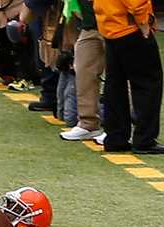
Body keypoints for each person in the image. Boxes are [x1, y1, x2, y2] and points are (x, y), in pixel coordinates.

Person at [94, 0, 164, 154]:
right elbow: (137, 3)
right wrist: (144, 23)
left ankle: (115, 137)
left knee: (115, 85)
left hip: (109, 25)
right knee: (148, 84)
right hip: (130, 27)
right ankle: (145, 140)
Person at [59, 0, 105, 141]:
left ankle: (119, 127)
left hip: (116, 24)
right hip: (90, 26)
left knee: (118, 76)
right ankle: (88, 124)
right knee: (83, 72)